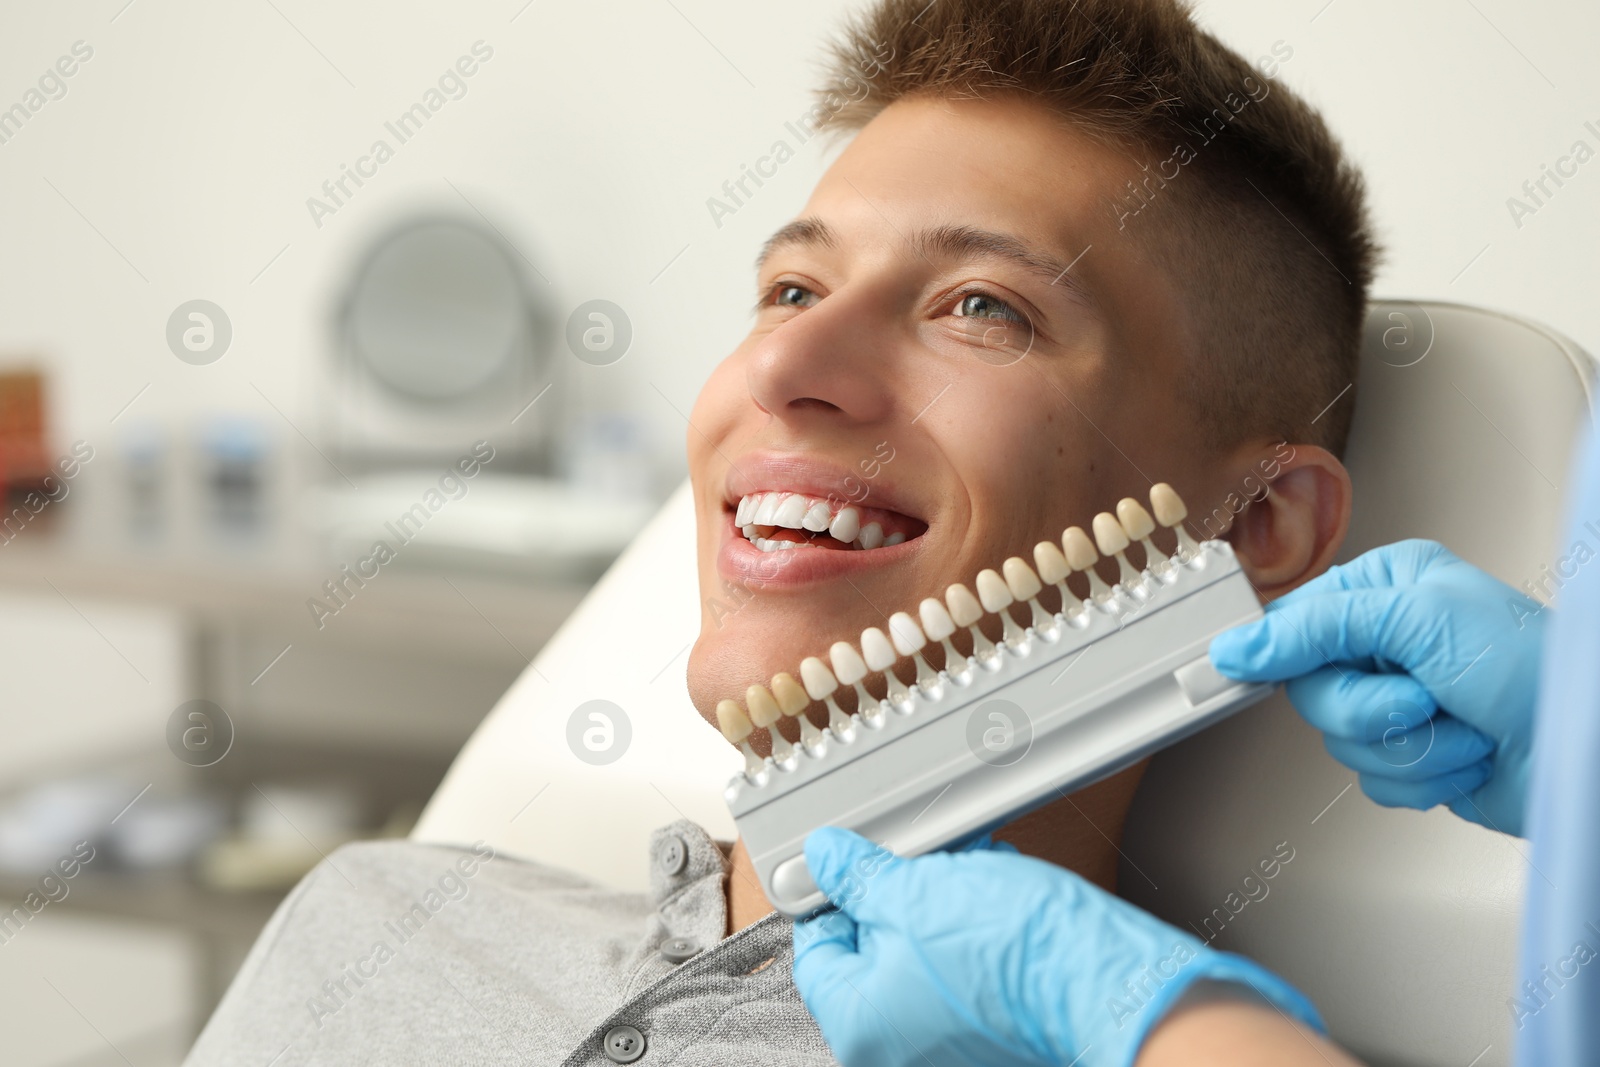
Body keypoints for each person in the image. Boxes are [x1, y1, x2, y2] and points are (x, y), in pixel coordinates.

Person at [183, 0, 1380, 1063]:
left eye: (980, 308)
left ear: (1257, 523)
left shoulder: (1182, 1037)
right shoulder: (373, 916)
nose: (784, 363)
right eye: (792, 289)